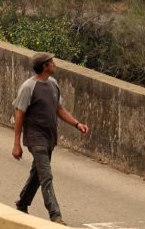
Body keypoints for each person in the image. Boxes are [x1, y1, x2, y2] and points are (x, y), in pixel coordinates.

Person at [12, 51, 89, 225]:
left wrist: (77, 124)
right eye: (51, 62)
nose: (55, 64)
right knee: (46, 175)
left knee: (38, 173)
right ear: (45, 66)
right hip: (35, 138)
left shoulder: (53, 84)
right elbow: (19, 114)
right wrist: (17, 144)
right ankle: (55, 215)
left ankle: (22, 203)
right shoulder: (28, 87)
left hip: (49, 138)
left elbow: (59, 109)